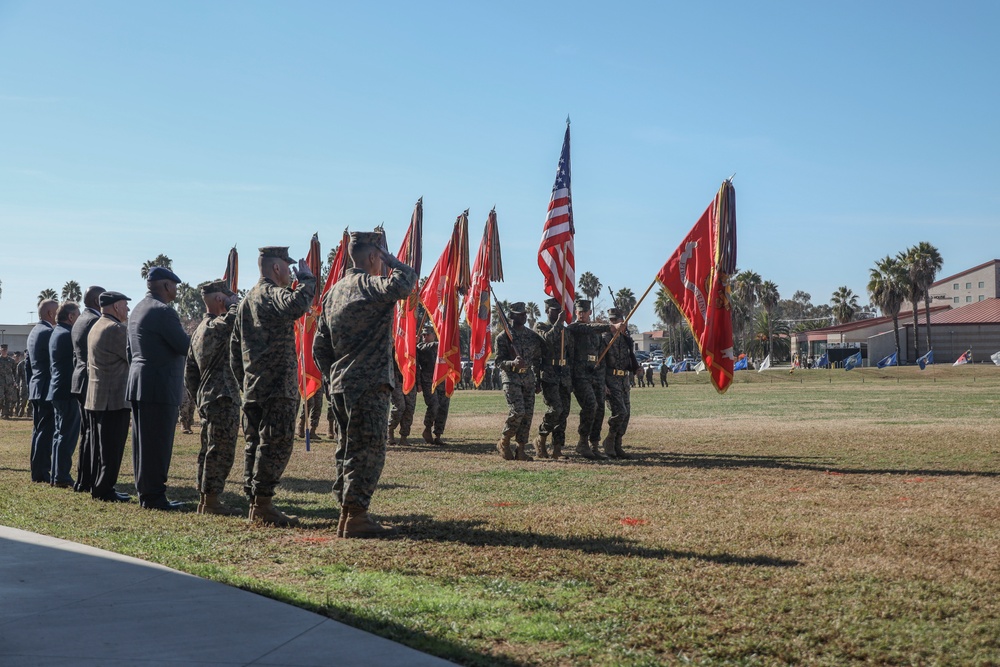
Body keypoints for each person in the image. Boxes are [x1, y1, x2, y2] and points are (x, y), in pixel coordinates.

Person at [314, 231, 416, 538]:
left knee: (346, 448)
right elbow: (407, 281)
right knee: (369, 449)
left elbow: (320, 345)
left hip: (340, 385)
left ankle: (347, 513)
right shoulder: (371, 286)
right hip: (369, 383)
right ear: (374, 257)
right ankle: (356, 516)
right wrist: (393, 260)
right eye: (380, 256)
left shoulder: (332, 293)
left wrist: (332, 375)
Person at [231, 246, 316, 526]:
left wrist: (246, 380)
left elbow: (234, 350)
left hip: (254, 386)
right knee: (275, 444)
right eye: (287, 267)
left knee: (254, 444)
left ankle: (255, 502)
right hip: (277, 386)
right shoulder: (271, 293)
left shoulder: (246, 300)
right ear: (276, 268)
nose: (290, 272)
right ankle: (263, 504)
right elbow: (296, 306)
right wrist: (306, 281)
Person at [127, 266, 191, 511]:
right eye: (173, 285)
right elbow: (185, 346)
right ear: (166, 286)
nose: (175, 290)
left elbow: (129, 351)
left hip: (140, 381)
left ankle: (146, 492)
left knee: (143, 444)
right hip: (159, 384)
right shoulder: (163, 312)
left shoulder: (138, 309)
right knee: (158, 445)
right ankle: (154, 497)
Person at [184, 280, 242, 516]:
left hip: (208, 396)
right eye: (226, 297)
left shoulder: (199, 330)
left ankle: (205, 497)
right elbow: (236, 315)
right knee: (221, 450)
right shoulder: (218, 326)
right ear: (220, 299)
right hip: (223, 396)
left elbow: (190, 372)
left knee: (208, 448)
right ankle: (212, 500)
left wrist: (198, 397)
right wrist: (234, 303)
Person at [86, 292, 132, 502]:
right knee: (111, 449)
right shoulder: (115, 329)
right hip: (113, 398)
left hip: (98, 396)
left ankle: (99, 485)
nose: (128, 310)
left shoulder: (97, 325)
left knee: (100, 448)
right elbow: (132, 356)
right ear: (116, 307)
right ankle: (105, 489)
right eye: (125, 306)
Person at [567, 298, 625, 460]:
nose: (581, 314)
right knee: (590, 406)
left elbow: (601, 357)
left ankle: (594, 444)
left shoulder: (596, 334)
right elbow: (588, 328)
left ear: (589, 312)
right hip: (580, 376)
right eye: (579, 312)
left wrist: (603, 382)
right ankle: (582, 442)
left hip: (596, 376)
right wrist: (611, 327)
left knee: (600, 408)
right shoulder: (575, 328)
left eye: (584, 312)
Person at [495, 302, 547, 461]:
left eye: (524, 314)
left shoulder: (532, 336)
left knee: (527, 416)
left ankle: (521, 449)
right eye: (519, 314)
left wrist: (538, 380)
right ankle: (504, 441)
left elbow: (538, 359)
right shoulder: (503, 337)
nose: (523, 316)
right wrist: (512, 363)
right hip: (511, 378)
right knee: (518, 411)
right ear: (511, 316)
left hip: (528, 379)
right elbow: (498, 362)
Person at [70, 285, 104, 493]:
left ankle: (83, 479)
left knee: (87, 432)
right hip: (90, 379)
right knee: (92, 433)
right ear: (96, 301)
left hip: (80, 378)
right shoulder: (93, 321)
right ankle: (88, 479)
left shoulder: (81, 319)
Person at [534, 297, 574, 459]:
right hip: (549, 375)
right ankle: (541, 439)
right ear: (547, 311)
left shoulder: (566, 331)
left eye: (560, 310)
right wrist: (559, 323)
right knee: (555, 409)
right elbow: (547, 340)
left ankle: (557, 448)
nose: (558, 313)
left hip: (564, 375)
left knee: (563, 412)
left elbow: (570, 353)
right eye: (555, 310)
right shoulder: (540, 326)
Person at [48, 301, 82, 487]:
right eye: (78, 314)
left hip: (58, 389)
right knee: (67, 436)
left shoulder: (56, 332)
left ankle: (56, 475)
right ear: (70, 317)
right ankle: (62, 476)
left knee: (60, 435)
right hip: (66, 391)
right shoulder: (68, 334)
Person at [26, 300, 58, 482]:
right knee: (46, 432)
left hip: (36, 386)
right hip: (46, 387)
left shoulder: (34, 332)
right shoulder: (48, 332)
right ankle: (41, 472)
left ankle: (37, 469)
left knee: (38, 430)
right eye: (56, 311)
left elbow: (28, 365)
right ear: (49, 314)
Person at [602, 308, 638, 459]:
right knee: (620, 412)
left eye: (618, 320)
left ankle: (618, 444)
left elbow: (629, 360)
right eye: (613, 320)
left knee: (627, 414)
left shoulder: (625, 338)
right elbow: (601, 363)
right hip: (611, 380)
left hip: (624, 380)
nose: (616, 323)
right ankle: (609, 441)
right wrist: (603, 384)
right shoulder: (605, 338)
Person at [416, 325, 450, 445]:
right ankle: (427, 428)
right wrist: (440, 343)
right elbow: (428, 347)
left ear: (433, 335)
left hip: (442, 379)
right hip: (428, 380)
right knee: (434, 405)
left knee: (443, 407)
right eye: (423, 335)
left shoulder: (440, 346)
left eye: (427, 335)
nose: (424, 337)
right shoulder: (420, 346)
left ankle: (438, 435)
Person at [387, 358, 417, 447]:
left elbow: (416, 365)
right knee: (400, 406)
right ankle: (390, 430)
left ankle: (404, 437)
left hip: (410, 379)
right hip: (395, 379)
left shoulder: (412, 348)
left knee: (409, 409)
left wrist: (418, 383)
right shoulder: (393, 347)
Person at [0, 344, 16, 419]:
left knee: (8, 398)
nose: (4, 351)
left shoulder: (11, 360)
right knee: (1, 397)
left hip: (9, 382)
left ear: (7, 350)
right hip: (0, 382)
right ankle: (1, 410)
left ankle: (6, 414)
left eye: (5, 350)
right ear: (0, 350)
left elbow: (14, 372)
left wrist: (15, 381)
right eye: (2, 350)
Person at [14, 351, 29, 418]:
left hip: (30, 383)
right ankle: (21, 411)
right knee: (22, 399)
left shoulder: (32, 363)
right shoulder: (21, 364)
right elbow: (17, 376)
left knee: (31, 400)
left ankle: (29, 413)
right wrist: (17, 384)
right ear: (24, 354)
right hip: (22, 384)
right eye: (26, 354)